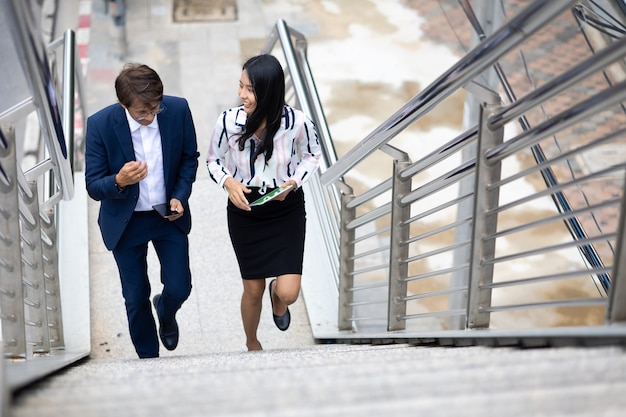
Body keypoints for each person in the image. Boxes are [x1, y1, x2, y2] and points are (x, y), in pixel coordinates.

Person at [206, 54, 322, 351]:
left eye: (249, 89)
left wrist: (293, 182)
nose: (241, 94)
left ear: (268, 92)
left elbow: (312, 156)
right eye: (240, 86)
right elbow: (213, 160)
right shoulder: (228, 122)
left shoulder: (297, 122)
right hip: (245, 211)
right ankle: (251, 341)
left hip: (286, 209)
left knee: (289, 293)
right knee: (252, 289)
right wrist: (227, 182)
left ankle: (277, 294)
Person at [85, 63, 199, 358]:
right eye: (141, 112)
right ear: (123, 105)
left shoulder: (177, 110)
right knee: (135, 298)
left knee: (180, 286)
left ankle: (166, 309)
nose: (149, 116)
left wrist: (180, 196)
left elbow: (189, 158)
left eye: (154, 109)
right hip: (126, 222)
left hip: (167, 214)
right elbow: (93, 185)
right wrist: (119, 181)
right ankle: (148, 362)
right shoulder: (100, 125)